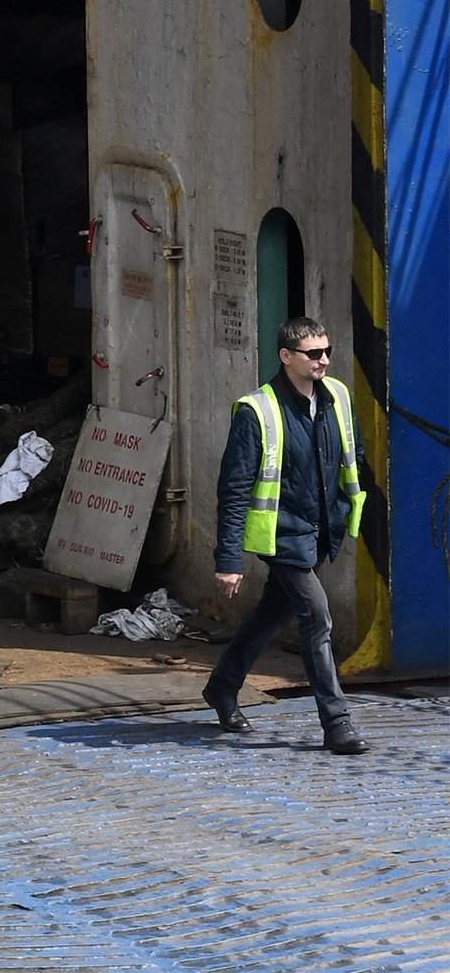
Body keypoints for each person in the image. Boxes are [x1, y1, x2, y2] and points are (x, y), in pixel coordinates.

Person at [202, 317, 370, 754]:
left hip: (320, 532)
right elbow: (234, 488)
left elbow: (352, 455)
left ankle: (222, 687)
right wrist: (229, 559)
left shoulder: (337, 396)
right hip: (282, 536)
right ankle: (338, 724)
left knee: (272, 613)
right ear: (286, 356)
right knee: (317, 616)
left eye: (326, 351)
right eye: (313, 353)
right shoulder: (256, 410)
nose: (324, 360)